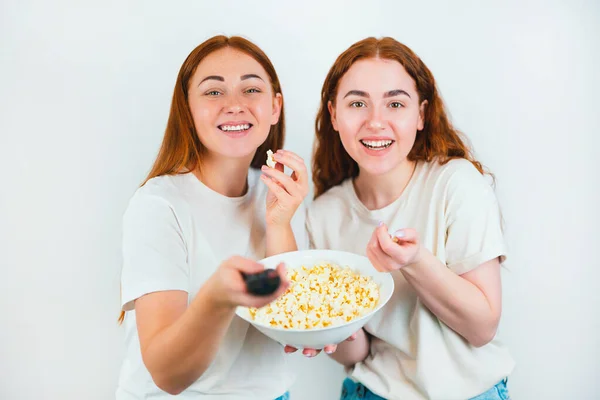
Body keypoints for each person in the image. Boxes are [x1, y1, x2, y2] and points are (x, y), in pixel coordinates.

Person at [300, 37, 514, 400]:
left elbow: (483, 327)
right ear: (334, 114)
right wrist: (334, 329)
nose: (376, 122)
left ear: (421, 115)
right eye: (357, 103)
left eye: (395, 103)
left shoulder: (455, 183)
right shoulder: (324, 214)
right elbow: (359, 352)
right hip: (369, 391)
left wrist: (416, 262)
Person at [116, 35, 309, 400]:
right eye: (214, 92)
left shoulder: (281, 192)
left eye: (251, 90)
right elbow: (168, 375)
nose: (235, 105)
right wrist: (217, 298)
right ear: (187, 109)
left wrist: (280, 224)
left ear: (275, 107)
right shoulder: (159, 205)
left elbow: (289, 324)